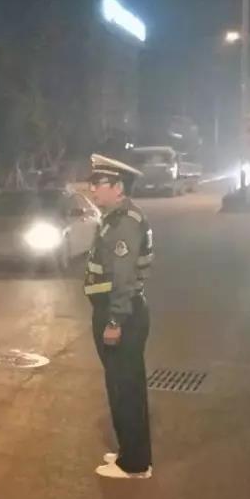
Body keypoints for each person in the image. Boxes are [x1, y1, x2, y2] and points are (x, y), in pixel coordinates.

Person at [85, 153, 154, 480]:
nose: (92, 189)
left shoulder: (124, 222)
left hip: (121, 315)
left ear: (118, 187)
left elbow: (123, 279)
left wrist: (114, 321)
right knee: (122, 384)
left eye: (98, 183)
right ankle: (130, 451)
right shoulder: (115, 218)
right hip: (119, 311)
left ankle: (135, 464)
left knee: (124, 387)